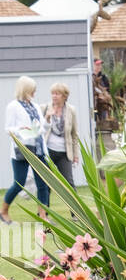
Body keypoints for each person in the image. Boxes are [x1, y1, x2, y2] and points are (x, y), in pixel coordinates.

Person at [1, 76, 53, 223]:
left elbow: (42, 128)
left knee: (42, 184)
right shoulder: (13, 106)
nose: (34, 92)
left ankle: (43, 217)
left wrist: (48, 120)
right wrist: (22, 129)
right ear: (25, 90)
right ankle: (3, 211)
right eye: (32, 90)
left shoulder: (35, 106)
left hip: (39, 149)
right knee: (19, 183)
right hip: (22, 150)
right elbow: (8, 129)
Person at [41, 82, 80, 185]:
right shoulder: (44, 108)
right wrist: (47, 117)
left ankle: (73, 201)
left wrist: (76, 154)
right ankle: (44, 202)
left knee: (69, 183)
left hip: (64, 152)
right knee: (46, 184)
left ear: (64, 96)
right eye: (53, 93)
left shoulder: (71, 110)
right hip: (48, 151)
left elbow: (74, 134)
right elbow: (39, 129)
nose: (54, 96)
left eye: (57, 94)